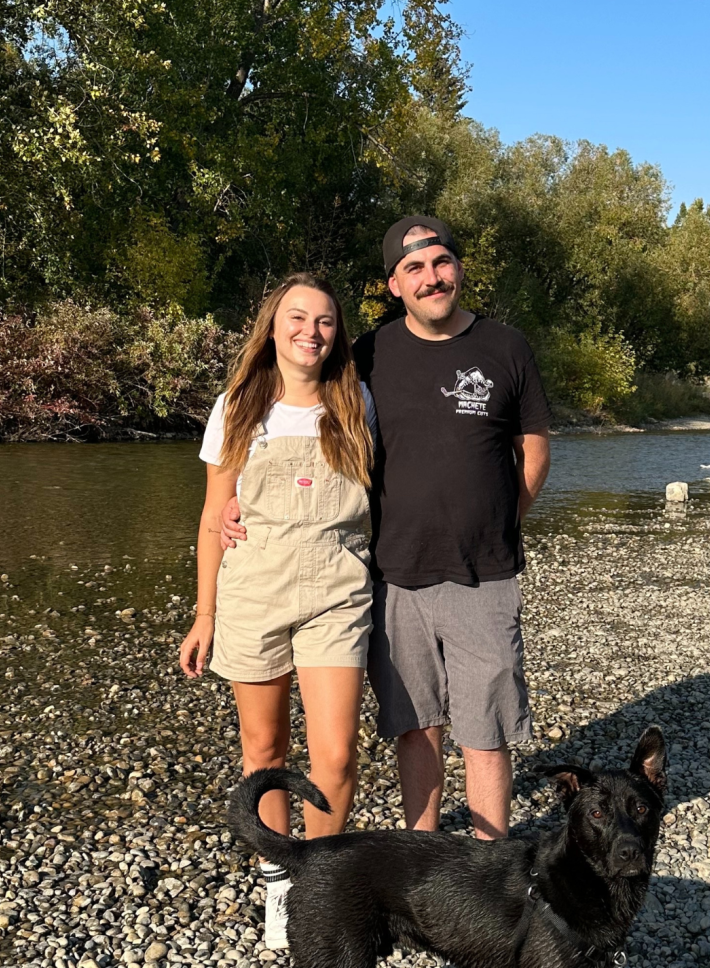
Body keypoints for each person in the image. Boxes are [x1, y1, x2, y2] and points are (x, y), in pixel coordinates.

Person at [223, 217, 551, 840]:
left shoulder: (506, 347)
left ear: (458, 267)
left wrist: (501, 522)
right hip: (390, 572)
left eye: (441, 262)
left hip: (485, 572)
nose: (432, 277)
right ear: (394, 285)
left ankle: (487, 864)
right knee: (414, 722)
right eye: (415, 269)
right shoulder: (367, 355)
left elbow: (532, 448)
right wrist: (239, 503)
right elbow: (308, 421)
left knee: (485, 727)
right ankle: (423, 857)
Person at [180, 272, 377, 946]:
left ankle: (319, 889)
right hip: (254, 591)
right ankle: (276, 881)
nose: (310, 331)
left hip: (337, 592)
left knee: (337, 757)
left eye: (324, 321)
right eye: (297, 317)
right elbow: (213, 517)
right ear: (272, 326)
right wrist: (205, 614)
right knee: (263, 749)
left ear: (337, 334)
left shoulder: (357, 403)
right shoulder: (237, 407)